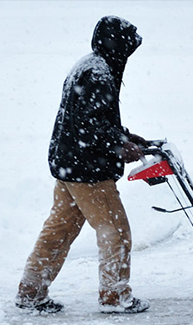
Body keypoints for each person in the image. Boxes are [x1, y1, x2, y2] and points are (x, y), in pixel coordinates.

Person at [15, 16, 150, 314]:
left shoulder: (89, 65)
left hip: (69, 166)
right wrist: (119, 147)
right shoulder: (97, 74)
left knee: (59, 230)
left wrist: (125, 136)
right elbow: (90, 128)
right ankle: (115, 296)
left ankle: (31, 291)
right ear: (116, 45)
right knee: (115, 231)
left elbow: (93, 120)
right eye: (127, 47)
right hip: (88, 171)